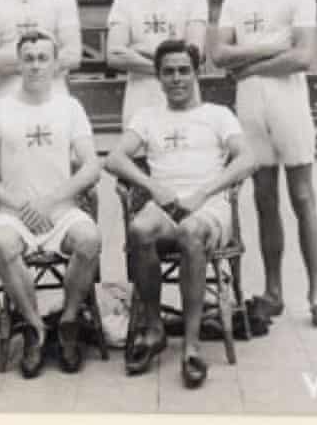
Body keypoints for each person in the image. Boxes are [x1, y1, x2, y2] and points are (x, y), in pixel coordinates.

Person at [105, 39, 254, 388]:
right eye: (168, 72)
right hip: (166, 205)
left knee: (190, 233)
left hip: (210, 206)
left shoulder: (218, 115)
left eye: (184, 70)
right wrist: (153, 187)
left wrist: (203, 193)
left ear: (197, 71)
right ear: (157, 77)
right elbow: (114, 159)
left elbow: (248, 158)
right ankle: (155, 328)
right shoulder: (148, 118)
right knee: (140, 228)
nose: (177, 78)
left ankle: (191, 345)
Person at [211, 0, 317, 328]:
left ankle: (316, 294)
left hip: (289, 102)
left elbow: (303, 57)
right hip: (250, 106)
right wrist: (271, 47)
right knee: (264, 200)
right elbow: (218, 55)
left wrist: (248, 66)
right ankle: (273, 291)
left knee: (301, 197)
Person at [0, 30, 102, 379]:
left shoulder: (70, 108)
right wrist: (21, 206)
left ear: (56, 64)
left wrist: (50, 201)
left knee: (89, 240)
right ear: (18, 63)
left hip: (61, 211)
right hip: (13, 213)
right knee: (1, 243)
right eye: (29, 58)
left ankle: (69, 321)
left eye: (43, 58)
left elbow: (91, 167)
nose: (36, 65)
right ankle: (35, 328)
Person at [106, 0, 208, 125]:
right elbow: (114, 55)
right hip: (140, 98)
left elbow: (194, 54)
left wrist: (137, 50)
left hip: (183, 96)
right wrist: (170, 65)